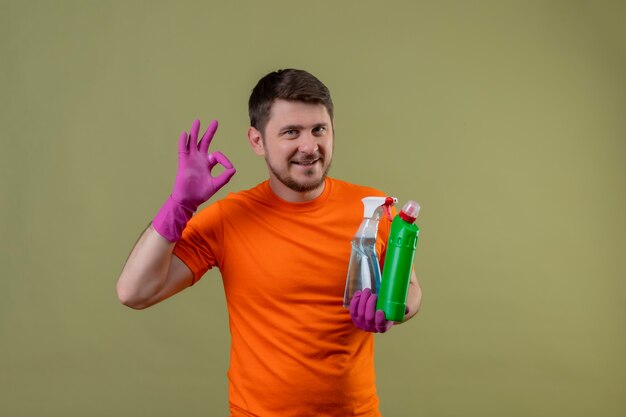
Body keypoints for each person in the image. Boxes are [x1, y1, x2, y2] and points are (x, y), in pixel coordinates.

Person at [116, 68, 422, 417]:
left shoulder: (374, 207)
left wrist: (393, 310)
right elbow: (134, 292)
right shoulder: (229, 219)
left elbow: (411, 288)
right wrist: (178, 206)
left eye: (318, 129)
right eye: (291, 132)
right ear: (257, 141)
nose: (309, 147)